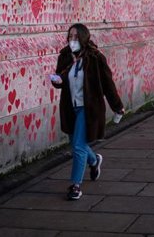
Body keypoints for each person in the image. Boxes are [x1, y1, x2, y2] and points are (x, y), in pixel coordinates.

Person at [50, 23, 125, 201]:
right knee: (78, 144)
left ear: (84, 37)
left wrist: (117, 106)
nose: (72, 40)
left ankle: (75, 185)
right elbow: (60, 78)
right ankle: (94, 161)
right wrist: (57, 81)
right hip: (70, 107)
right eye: (70, 36)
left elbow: (108, 84)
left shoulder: (96, 58)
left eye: (76, 37)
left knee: (77, 146)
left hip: (88, 108)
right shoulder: (65, 56)